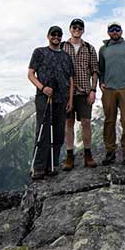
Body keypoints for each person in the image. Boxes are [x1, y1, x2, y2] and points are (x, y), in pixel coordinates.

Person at [27, 25, 74, 180]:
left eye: (59, 35)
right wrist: (42, 88)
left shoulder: (66, 57)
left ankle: (52, 165)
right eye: (53, 34)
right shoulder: (39, 52)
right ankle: (39, 167)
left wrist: (70, 99)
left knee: (59, 133)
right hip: (44, 97)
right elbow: (31, 74)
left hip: (61, 98)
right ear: (48, 36)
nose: (56, 37)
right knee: (44, 131)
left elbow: (71, 80)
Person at [98, 21, 125, 166]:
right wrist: (101, 82)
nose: (115, 31)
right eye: (112, 29)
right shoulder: (103, 49)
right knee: (109, 121)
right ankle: (110, 152)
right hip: (109, 90)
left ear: (121, 31)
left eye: (117, 29)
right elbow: (101, 69)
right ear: (108, 32)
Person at [61, 18, 99, 170]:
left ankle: (87, 155)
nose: (77, 29)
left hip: (84, 92)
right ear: (70, 29)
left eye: (80, 27)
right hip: (66, 93)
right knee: (68, 124)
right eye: (74, 27)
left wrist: (93, 90)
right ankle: (69, 157)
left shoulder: (89, 48)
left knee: (86, 123)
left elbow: (95, 71)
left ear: (83, 30)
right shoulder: (62, 46)